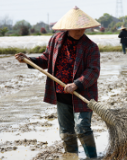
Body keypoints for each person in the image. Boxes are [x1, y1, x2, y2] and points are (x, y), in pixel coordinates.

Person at [15, 6, 100, 159]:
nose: (80, 32)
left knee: (82, 127)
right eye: (76, 29)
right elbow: (46, 59)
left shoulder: (91, 47)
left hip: (83, 93)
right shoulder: (56, 40)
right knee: (66, 130)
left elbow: (93, 71)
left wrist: (76, 84)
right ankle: (71, 156)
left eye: (83, 28)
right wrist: (29, 60)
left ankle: (92, 157)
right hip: (61, 94)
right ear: (67, 27)